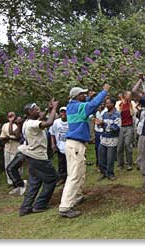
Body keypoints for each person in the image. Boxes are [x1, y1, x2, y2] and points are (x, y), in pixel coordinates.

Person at [59, 84, 109, 218]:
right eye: (83, 94)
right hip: (76, 145)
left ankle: (77, 197)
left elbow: (87, 105)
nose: (85, 95)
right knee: (74, 175)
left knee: (79, 173)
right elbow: (92, 105)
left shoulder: (72, 106)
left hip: (74, 145)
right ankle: (65, 206)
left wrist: (89, 98)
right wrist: (103, 92)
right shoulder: (79, 107)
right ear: (77, 96)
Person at [18, 100, 59, 216]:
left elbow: (40, 119)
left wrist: (48, 110)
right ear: (30, 112)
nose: (39, 110)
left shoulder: (28, 122)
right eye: (36, 109)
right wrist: (54, 108)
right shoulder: (31, 124)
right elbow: (49, 123)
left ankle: (25, 208)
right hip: (38, 157)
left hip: (31, 156)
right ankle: (40, 205)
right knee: (52, 178)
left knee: (34, 182)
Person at [96, 97, 121, 181]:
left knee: (110, 158)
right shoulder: (105, 114)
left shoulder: (117, 114)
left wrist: (106, 124)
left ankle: (110, 174)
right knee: (101, 157)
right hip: (103, 138)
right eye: (106, 103)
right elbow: (102, 125)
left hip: (112, 139)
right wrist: (99, 124)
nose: (106, 105)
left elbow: (117, 127)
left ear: (113, 104)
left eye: (108, 103)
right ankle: (103, 173)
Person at [115, 91, 137, 171]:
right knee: (120, 145)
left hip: (129, 126)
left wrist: (130, 105)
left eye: (130, 95)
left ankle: (129, 163)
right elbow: (117, 113)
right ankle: (120, 164)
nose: (129, 96)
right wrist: (122, 104)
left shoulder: (132, 103)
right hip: (121, 126)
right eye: (128, 95)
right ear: (124, 95)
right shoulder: (118, 103)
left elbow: (133, 114)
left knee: (127, 144)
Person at [0, 112, 22, 186]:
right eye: (9, 116)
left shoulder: (18, 125)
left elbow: (18, 137)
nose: (11, 117)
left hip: (16, 149)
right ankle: (10, 182)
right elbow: (2, 137)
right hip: (7, 148)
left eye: (12, 115)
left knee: (15, 166)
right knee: (7, 165)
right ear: (7, 117)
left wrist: (9, 137)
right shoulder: (5, 125)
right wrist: (5, 139)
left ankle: (18, 180)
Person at [50, 106, 69, 186]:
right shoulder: (56, 122)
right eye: (62, 112)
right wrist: (53, 144)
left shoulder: (71, 121)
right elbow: (52, 133)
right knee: (61, 164)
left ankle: (69, 180)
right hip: (60, 147)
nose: (63, 113)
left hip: (69, 147)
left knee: (70, 164)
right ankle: (62, 178)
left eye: (65, 112)